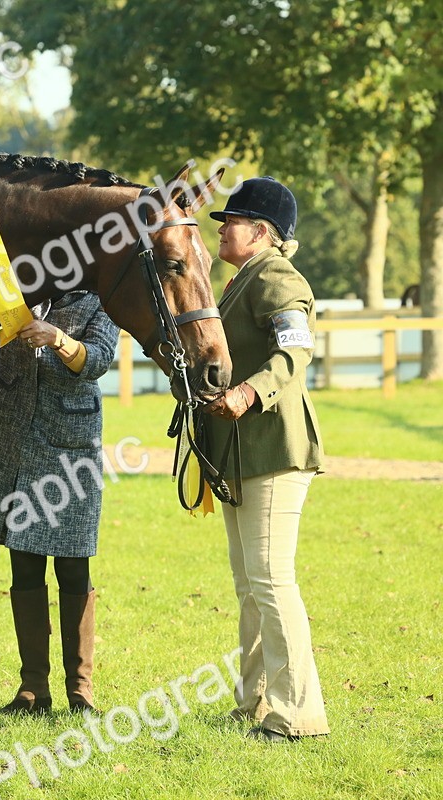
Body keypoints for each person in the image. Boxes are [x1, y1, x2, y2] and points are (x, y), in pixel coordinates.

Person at [0, 136, 121, 714]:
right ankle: (32, 688)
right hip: (11, 439)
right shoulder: (11, 285)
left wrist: (61, 340)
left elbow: (100, 360)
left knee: (73, 568)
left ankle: (80, 690)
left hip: (68, 448)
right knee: (23, 568)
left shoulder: (99, 296)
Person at [204, 176, 329, 742]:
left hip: (275, 448)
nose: (222, 228)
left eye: (231, 221)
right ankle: (254, 701)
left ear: (259, 232)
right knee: (250, 584)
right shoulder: (239, 280)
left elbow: (296, 349)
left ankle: (294, 712)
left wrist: (251, 391)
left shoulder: (277, 276)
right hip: (238, 453)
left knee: (272, 580)